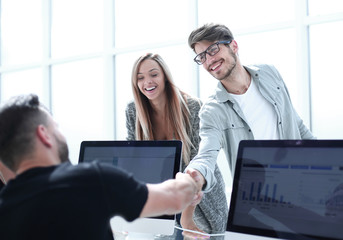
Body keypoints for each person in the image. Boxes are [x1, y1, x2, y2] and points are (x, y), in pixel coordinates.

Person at [0, 94, 201, 240]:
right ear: (43, 134)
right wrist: (189, 179)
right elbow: (175, 197)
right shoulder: (90, 180)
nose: (61, 135)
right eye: (56, 128)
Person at [185, 23, 315, 193]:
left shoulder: (270, 74)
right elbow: (206, 155)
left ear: (234, 45)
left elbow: (296, 125)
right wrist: (195, 175)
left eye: (213, 49)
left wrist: (329, 160)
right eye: (201, 57)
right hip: (259, 199)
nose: (209, 61)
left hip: (301, 184)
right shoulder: (212, 111)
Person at [125, 53, 228, 235]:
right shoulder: (133, 111)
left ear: (165, 76)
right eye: (140, 77)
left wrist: (187, 217)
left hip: (200, 200)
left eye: (153, 74)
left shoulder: (193, 107)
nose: (147, 81)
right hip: (165, 198)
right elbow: (134, 162)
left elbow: (198, 163)